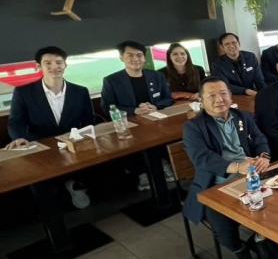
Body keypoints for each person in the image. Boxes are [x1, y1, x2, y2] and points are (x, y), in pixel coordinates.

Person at [181, 77, 277, 259]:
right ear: (201, 100)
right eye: (212, 95)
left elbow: (259, 139)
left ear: (230, 96)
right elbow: (202, 158)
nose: (219, 99)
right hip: (217, 183)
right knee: (221, 220)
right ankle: (240, 251)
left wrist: (264, 156)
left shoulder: (243, 116)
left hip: (251, 175)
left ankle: (260, 238)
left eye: (223, 93)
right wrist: (237, 167)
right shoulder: (194, 127)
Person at [7, 46, 96, 208]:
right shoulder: (23, 92)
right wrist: (20, 138)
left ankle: (75, 186)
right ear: (38, 66)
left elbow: (88, 119)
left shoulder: (80, 91)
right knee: (41, 186)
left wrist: (82, 138)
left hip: (74, 146)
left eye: (59, 62)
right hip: (41, 146)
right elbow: (15, 122)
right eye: (48, 63)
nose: (54, 67)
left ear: (65, 65)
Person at [101, 41, 174, 115]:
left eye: (139, 55)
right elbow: (107, 108)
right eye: (130, 55)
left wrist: (155, 106)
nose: (135, 59)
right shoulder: (111, 81)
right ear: (121, 58)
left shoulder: (157, 76)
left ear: (144, 58)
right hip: (130, 119)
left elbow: (168, 98)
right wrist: (134, 110)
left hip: (157, 115)